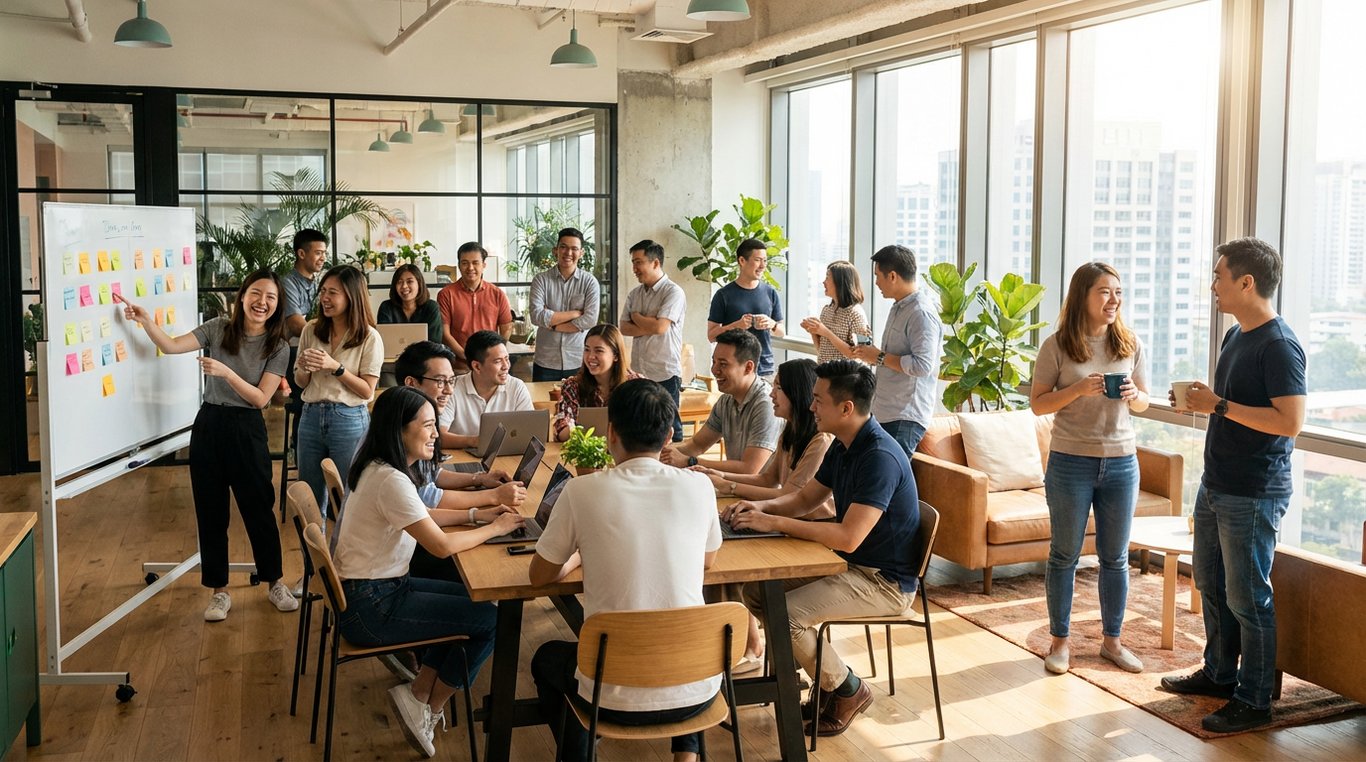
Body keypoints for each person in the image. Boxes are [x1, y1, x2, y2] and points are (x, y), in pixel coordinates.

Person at [529, 379, 721, 762]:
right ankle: (686, 755)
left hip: (610, 696)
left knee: (546, 658)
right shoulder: (700, 487)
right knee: (677, 640)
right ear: (669, 436)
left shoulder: (582, 492)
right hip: (698, 692)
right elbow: (708, 559)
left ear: (610, 432)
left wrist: (580, 554)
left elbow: (539, 577)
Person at [1159, 238, 1306, 734]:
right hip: (1217, 482)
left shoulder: (1279, 345)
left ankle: (1254, 698)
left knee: (1248, 597)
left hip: (1254, 489)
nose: (1212, 286)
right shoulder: (1235, 337)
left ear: (1247, 282)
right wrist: (1203, 403)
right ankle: (1220, 675)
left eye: (1219, 276)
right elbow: (1231, 405)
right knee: (1211, 584)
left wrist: (1217, 406)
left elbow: (1289, 423)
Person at [727, 359, 920, 738]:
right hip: (851, 568)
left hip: (885, 583)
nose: (811, 406)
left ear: (846, 408)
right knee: (756, 592)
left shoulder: (878, 456)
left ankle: (846, 689)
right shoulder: (846, 444)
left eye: (818, 400)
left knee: (785, 615)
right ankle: (812, 682)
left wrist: (774, 522)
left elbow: (849, 537)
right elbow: (803, 500)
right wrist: (760, 509)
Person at [333, 386, 525, 758]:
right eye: (428, 425)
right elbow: (440, 545)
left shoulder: (381, 468)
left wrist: (477, 515)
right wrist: (494, 529)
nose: (436, 433)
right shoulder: (390, 479)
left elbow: (422, 517)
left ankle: (419, 694)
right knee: (491, 622)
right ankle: (429, 705)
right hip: (372, 607)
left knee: (474, 604)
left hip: (375, 591)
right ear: (398, 430)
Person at [114, 270, 300, 622]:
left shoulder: (277, 346)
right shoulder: (217, 328)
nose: (262, 302)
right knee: (211, 512)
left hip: (247, 428)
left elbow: (261, 399)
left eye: (271, 298)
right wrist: (145, 321)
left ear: (277, 305)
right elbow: (170, 346)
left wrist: (227, 373)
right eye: (256, 293)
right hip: (210, 424)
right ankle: (219, 592)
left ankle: (275, 581)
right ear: (242, 296)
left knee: (258, 508)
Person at [1030, 262, 1149, 676]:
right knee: (1064, 555)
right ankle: (1060, 642)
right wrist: (1079, 388)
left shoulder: (1129, 343)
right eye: (1104, 292)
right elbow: (1038, 404)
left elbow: (1145, 402)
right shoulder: (1057, 346)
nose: (1114, 300)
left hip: (1121, 462)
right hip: (1070, 462)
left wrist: (1135, 395)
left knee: (1115, 557)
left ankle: (1112, 642)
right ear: (1083, 295)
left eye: (1118, 292)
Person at [691, 358, 835, 672]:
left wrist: (725, 485)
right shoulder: (791, 432)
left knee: (731, 561)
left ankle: (748, 646)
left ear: (797, 393)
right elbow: (767, 480)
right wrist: (713, 472)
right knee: (720, 554)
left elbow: (790, 496)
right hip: (789, 525)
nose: (771, 393)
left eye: (779, 388)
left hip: (810, 534)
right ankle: (738, 644)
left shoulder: (820, 442)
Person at [293, 264, 382, 519]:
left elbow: (367, 391)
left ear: (352, 296)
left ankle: (346, 559)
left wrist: (336, 367)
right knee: (309, 500)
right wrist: (305, 368)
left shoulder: (369, 337)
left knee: (349, 497)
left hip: (349, 419)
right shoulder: (311, 329)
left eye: (333, 293)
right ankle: (315, 559)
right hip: (310, 417)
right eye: (323, 291)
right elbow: (301, 382)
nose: (325, 298)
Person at [850, 244, 943, 458]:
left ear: (892, 276)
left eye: (878, 276)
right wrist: (871, 354)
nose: (875, 283)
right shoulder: (899, 307)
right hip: (885, 409)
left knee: (888, 479)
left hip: (904, 415)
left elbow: (922, 366)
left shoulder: (921, 313)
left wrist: (879, 357)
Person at [661, 329, 782, 475]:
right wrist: (657, 450)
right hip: (735, 486)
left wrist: (690, 461)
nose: (714, 369)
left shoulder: (766, 404)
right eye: (714, 361)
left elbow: (750, 469)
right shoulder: (726, 400)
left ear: (748, 367)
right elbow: (696, 444)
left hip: (760, 494)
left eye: (723, 364)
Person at [619, 239, 687, 442]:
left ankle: (674, 470)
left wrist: (638, 317)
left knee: (670, 431)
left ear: (655, 263)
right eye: (633, 262)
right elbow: (624, 328)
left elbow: (660, 327)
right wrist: (650, 323)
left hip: (665, 372)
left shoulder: (673, 292)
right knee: (642, 429)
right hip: (639, 372)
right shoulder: (634, 294)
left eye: (638, 262)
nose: (634, 268)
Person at [529, 227, 600, 382]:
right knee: (544, 404)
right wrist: (575, 314)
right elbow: (536, 316)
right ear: (556, 250)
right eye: (564, 247)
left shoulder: (589, 282)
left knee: (579, 406)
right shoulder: (541, 280)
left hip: (578, 360)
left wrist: (553, 323)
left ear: (581, 253)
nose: (568, 253)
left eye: (574, 249)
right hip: (545, 362)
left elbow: (590, 319)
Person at [707, 238, 784, 379]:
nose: (762, 266)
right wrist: (737, 326)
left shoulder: (770, 292)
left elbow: (781, 331)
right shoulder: (723, 295)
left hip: (764, 367)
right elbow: (711, 336)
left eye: (765, 261)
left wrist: (771, 324)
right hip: (734, 368)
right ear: (742, 261)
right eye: (758, 260)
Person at [446, 330, 535, 450]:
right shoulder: (452, 388)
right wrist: (474, 441)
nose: (506, 366)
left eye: (507, 359)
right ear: (477, 366)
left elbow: (530, 432)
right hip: (461, 458)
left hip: (505, 457)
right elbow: (439, 437)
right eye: (498, 361)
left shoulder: (517, 387)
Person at [554, 324, 642, 442]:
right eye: (587, 349)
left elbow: (649, 425)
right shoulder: (573, 385)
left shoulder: (636, 385)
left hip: (629, 452)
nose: (590, 356)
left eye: (599, 351)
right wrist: (579, 432)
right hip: (585, 454)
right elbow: (562, 430)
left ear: (615, 355)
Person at [436, 242, 513, 369]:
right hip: (458, 366)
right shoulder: (446, 294)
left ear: (483, 265)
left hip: (490, 366)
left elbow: (506, 329)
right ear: (459, 266)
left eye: (475, 263)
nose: (470, 268)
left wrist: (493, 355)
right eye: (465, 263)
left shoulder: (497, 294)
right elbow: (445, 334)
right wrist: (467, 356)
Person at [282, 228, 329, 438]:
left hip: (316, 347)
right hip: (291, 348)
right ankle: (302, 443)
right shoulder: (288, 283)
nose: (323, 258)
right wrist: (328, 337)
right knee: (311, 392)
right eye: (318, 252)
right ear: (301, 254)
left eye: (324, 253)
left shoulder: (319, 283)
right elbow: (295, 324)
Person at [800, 261, 872, 364]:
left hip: (846, 377)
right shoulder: (827, 310)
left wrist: (826, 332)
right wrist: (813, 331)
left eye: (827, 278)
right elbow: (822, 351)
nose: (824, 282)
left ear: (840, 282)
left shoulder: (856, 314)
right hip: (825, 373)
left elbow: (860, 354)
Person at [378, 264, 443, 344]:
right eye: (399, 282)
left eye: (409, 281)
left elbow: (435, 343)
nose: (404, 286)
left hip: (424, 356)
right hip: (392, 356)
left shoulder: (431, 307)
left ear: (419, 284)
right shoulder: (386, 307)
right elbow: (383, 341)